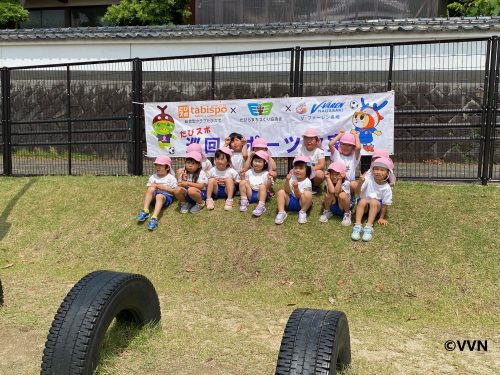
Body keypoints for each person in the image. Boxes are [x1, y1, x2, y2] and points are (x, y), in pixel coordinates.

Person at [351, 157, 393, 242]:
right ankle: (357, 226)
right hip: (364, 206)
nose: (378, 172)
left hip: (375, 208)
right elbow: (357, 193)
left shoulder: (386, 187)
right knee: (363, 200)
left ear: (387, 173)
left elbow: (385, 205)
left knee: (373, 201)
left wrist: (381, 217)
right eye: (376, 169)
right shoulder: (368, 179)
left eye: (382, 170)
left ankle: (368, 227)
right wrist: (360, 183)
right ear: (372, 170)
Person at [136, 155, 178, 231]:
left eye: (161, 166)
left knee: (159, 196)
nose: (157, 167)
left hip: (165, 198)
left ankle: (154, 218)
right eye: (156, 165)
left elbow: (175, 191)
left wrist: (165, 188)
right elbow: (148, 190)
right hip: (153, 198)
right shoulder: (153, 177)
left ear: (167, 168)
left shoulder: (171, 178)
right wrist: (152, 186)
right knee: (151, 189)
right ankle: (145, 211)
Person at [275, 155, 313, 225]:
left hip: (301, 203)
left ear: (306, 170)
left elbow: (299, 196)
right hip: (290, 202)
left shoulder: (307, 181)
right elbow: (287, 191)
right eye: (296, 168)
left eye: (301, 168)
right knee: (281, 192)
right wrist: (287, 180)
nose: (297, 170)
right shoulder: (292, 177)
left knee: (308, 194)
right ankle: (281, 212)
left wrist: (296, 188)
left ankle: (302, 212)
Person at [205, 146, 240, 211]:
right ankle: (209, 199)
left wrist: (228, 182)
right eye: (217, 159)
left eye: (222, 159)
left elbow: (238, 182)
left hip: (227, 191)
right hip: (216, 191)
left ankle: (229, 200)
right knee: (211, 180)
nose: (219, 161)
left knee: (229, 180)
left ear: (228, 162)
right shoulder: (212, 170)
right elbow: (206, 182)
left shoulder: (231, 171)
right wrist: (215, 182)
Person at [319, 161, 352, 226]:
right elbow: (331, 191)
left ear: (342, 174)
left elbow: (337, 192)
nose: (334, 177)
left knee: (342, 195)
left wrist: (340, 179)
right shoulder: (328, 181)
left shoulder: (346, 182)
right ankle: (327, 211)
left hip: (342, 207)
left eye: (337, 174)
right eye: (332, 174)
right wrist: (328, 178)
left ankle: (347, 214)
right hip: (333, 206)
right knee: (328, 194)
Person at [239, 150, 271, 217]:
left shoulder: (266, 174)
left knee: (262, 186)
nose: (257, 163)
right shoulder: (249, 172)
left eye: (260, 162)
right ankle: (244, 201)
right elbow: (245, 184)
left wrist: (270, 180)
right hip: (250, 193)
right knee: (242, 182)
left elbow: (267, 188)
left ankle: (261, 206)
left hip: (261, 195)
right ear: (252, 162)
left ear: (265, 163)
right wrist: (242, 176)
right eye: (255, 161)